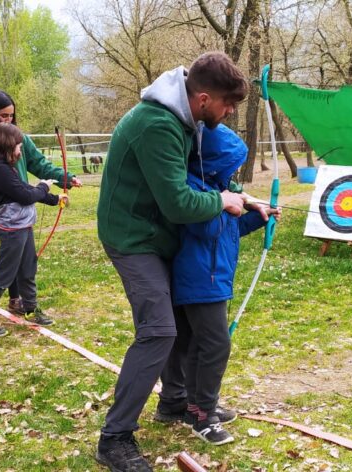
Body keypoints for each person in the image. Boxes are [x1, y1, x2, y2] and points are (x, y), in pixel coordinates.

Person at [94, 52, 251, 472]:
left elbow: (195, 181)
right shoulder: (158, 124)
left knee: (178, 324)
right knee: (159, 330)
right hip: (131, 238)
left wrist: (237, 196)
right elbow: (180, 203)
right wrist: (222, 200)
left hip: (157, 235)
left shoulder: (183, 117)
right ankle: (114, 438)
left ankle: (174, 402)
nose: (230, 113)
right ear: (203, 98)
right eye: (227, 104)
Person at [170, 123, 279, 445]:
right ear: (213, 161)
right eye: (230, 165)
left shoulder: (216, 188)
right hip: (200, 279)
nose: (234, 173)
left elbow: (228, 230)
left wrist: (258, 216)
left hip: (211, 277)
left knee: (200, 344)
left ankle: (196, 407)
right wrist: (228, 203)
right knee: (216, 345)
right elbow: (206, 229)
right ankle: (205, 416)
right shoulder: (194, 190)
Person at [0, 90, 79, 320]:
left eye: (11, 115)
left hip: (18, 206)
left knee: (19, 256)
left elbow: (39, 164)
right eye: (3, 115)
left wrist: (65, 178)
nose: (8, 120)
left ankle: (17, 300)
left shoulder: (17, 137)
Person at [0, 122, 67, 337]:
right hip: (13, 231)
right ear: (7, 146)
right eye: (18, 147)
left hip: (23, 227)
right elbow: (26, 196)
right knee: (4, 274)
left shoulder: (5, 168)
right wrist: (44, 186)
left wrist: (54, 199)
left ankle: (30, 308)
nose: (20, 151)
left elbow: (23, 189)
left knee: (27, 269)